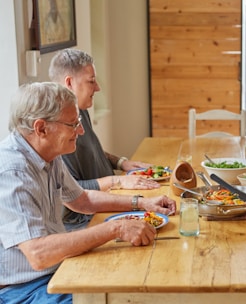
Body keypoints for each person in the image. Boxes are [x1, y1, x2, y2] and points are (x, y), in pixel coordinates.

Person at [0, 82, 176, 303]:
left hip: (52, 270)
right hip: (22, 289)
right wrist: (115, 228)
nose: (81, 131)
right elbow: (38, 254)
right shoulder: (11, 172)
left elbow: (83, 200)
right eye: (73, 124)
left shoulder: (46, 153)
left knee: (134, 278)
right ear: (41, 128)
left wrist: (142, 203)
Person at [49, 48, 160, 230]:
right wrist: (119, 181)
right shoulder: (59, 127)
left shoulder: (79, 110)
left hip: (108, 200)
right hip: (88, 220)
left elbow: (90, 150)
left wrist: (121, 163)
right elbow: (74, 191)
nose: (98, 88)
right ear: (69, 83)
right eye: (91, 81)